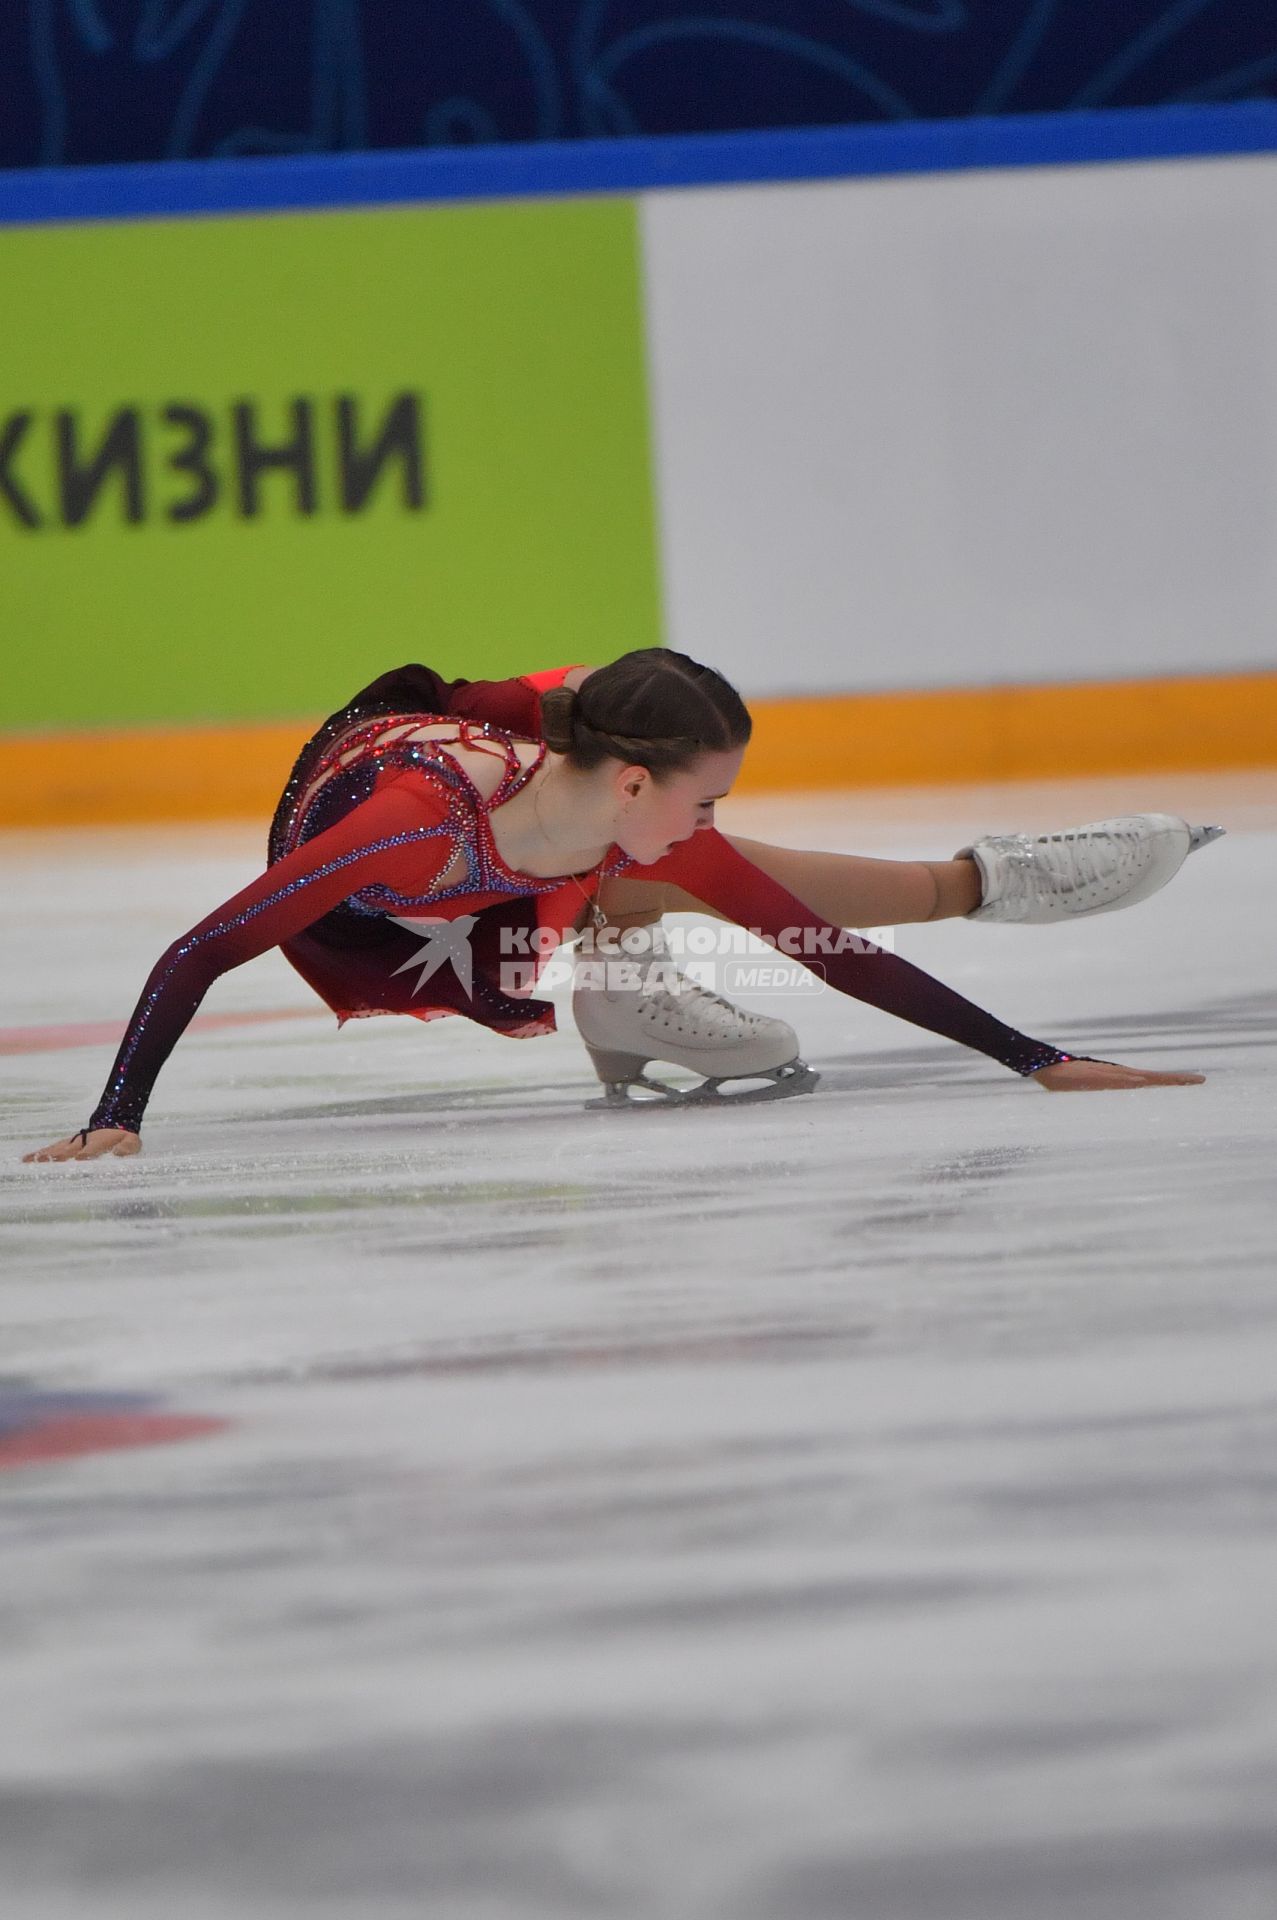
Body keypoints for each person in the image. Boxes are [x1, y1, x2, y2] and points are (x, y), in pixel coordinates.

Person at [23, 650, 1215, 1163]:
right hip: (385, 886)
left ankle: (989, 881)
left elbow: (827, 954)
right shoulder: (402, 821)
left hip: (543, 826)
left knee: (674, 851)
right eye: (706, 796)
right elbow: (205, 947)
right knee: (640, 855)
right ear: (639, 778)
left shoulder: (637, 808)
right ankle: (974, 884)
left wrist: (1035, 1057)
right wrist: (116, 1112)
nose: (716, 823)